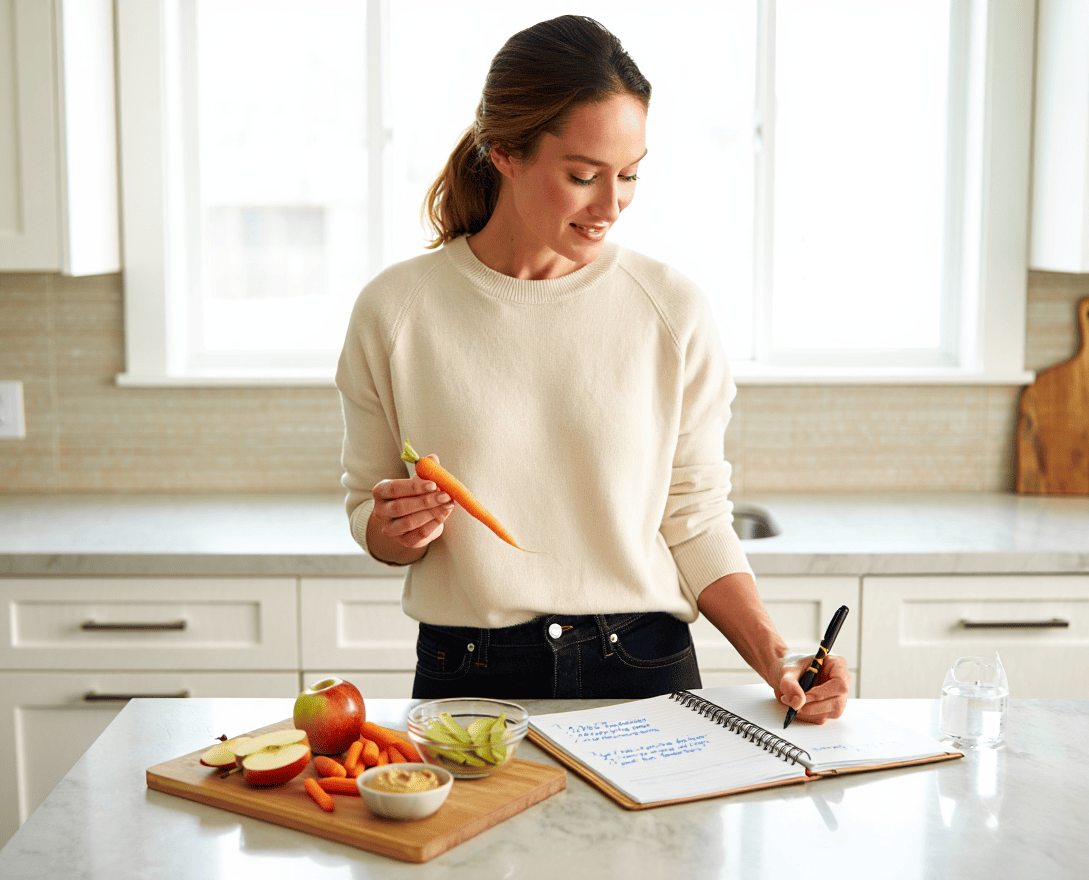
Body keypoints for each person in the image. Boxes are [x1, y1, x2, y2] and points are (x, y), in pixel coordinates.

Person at [335, 15, 850, 720]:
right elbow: (367, 507)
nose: (612, 205)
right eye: (583, 176)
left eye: (630, 175)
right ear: (504, 152)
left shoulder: (670, 310)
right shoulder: (395, 312)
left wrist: (777, 655)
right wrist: (393, 530)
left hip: (643, 664)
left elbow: (694, 516)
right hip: (471, 672)